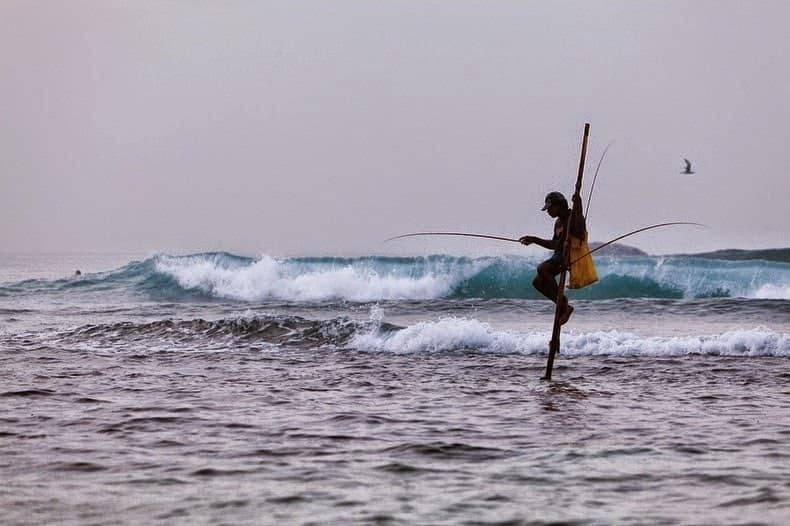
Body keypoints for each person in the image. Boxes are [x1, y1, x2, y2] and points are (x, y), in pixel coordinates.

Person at [519, 191, 587, 325]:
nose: (548, 211)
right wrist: (533, 240)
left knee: (542, 268)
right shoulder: (558, 223)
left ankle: (562, 304)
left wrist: (579, 205)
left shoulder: (572, 217)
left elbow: (580, 233)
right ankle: (563, 304)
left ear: (560, 205)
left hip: (569, 256)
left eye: (550, 208)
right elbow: (554, 245)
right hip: (558, 255)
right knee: (537, 282)